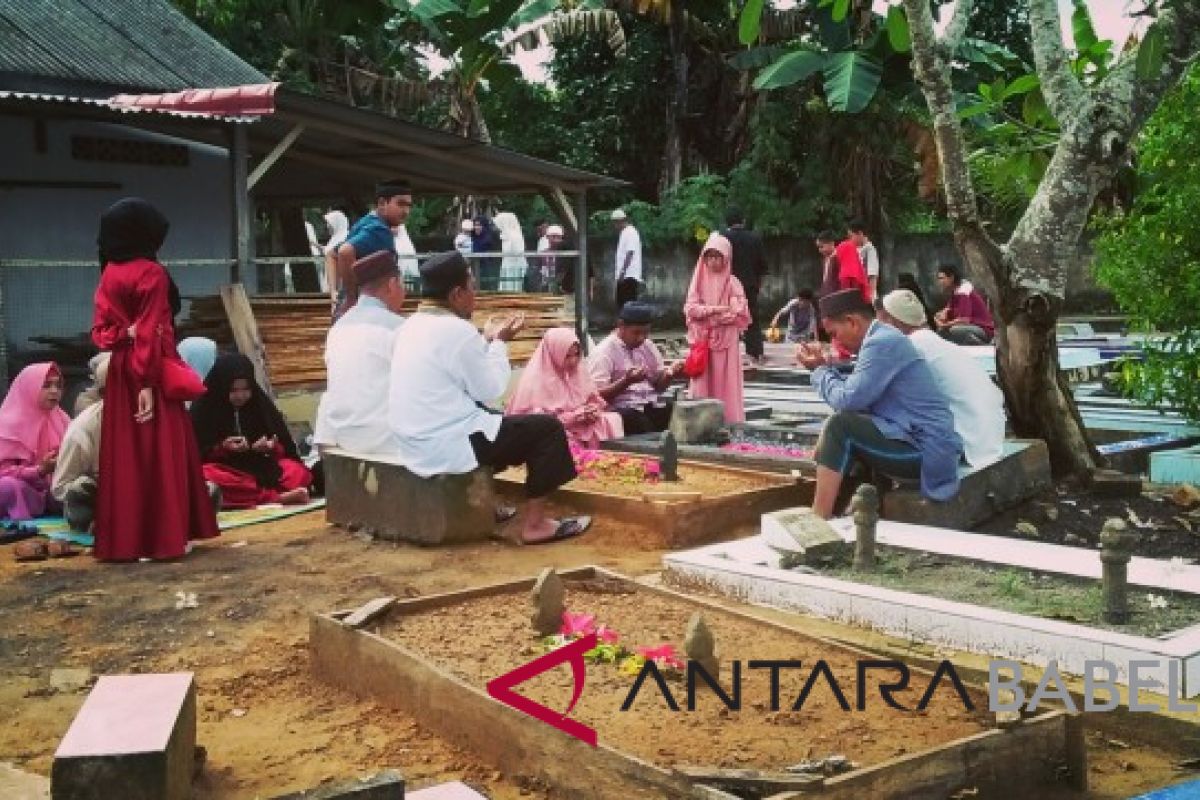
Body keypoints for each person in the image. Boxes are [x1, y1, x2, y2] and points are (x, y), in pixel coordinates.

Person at [389, 251, 588, 545]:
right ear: (456, 294)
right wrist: (499, 343)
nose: (475, 294)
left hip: (413, 441)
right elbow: (491, 388)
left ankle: (489, 506)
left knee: (492, 419)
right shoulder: (456, 330)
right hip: (444, 445)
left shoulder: (407, 326)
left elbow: (456, 371)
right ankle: (536, 525)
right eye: (471, 286)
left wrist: (486, 342)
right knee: (547, 429)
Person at [92, 197, 220, 561]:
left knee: (128, 454)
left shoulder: (109, 273)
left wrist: (124, 337)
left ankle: (129, 541)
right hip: (149, 370)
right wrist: (147, 383)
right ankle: (164, 537)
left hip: (120, 371)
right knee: (160, 451)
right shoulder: (151, 272)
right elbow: (150, 331)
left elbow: (100, 333)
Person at [796, 289, 962, 519]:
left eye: (834, 333)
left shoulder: (882, 343)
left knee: (840, 426)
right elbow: (853, 395)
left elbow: (847, 400)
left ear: (852, 322)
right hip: (919, 443)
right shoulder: (882, 339)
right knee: (845, 430)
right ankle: (846, 510)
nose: (835, 341)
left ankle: (818, 518)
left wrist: (819, 371)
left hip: (926, 454)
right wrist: (825, 368)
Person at [877, 290, 1006, 468]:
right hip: (990, 436)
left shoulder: (912, 347)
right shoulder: (936, 343)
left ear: (893, 321)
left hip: (969, 443)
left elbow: (872, 393)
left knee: (870, 420)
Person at [314, 250, 407, 454]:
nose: (404, 292)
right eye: (402, 285)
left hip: (341, 440)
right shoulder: (399, 329)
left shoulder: (337, 330)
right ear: (392, 285)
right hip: (386, 444)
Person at [191, 354, 312, 509]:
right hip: (228, 470)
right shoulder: (204, 408)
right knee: (203, 477)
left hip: (261, 467)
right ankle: (276, 497)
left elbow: (286, 448)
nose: (241, 396)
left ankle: (263, 496)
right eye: (233, 390)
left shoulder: (259, 405)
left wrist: (270, 447)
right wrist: (222, 448)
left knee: (296, 471)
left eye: (246, 389)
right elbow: (195, 454)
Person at [507, 327, 623, 449]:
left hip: (579, 425)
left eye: (577, 354)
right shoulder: (535, 382)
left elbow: (593, 399)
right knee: (561, 439)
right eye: (567, 356)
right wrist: (575, 416)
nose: (573, 361)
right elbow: (538, 424)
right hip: (553, 430)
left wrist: (592, 410)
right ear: (553, 354)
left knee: (611, 420)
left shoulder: (578, 373)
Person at [684, 233, 751, 423]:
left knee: (727, 382)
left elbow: (738, 312)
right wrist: (715, 310)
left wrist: (709, 314)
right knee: (702, 381)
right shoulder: (697, 282)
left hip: (726, 341)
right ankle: (699, 421)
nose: (713, 261)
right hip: (704, 341)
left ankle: (729, 421)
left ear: (726, 257)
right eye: (709, 256)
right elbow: (690, 309)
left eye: (717, 256)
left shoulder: (733, 283)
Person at [588, 302, 685, 435]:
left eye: (646, 333)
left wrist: (670, 374)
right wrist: (626, 381)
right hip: (621, 410)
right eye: (636, 333)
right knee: (638, 422)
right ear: (621, 326)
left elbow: (659, 387)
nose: (641, 338)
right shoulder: (604, 352)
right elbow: (596, 396)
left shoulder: (648, 346)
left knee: (680, 413)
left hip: (649, 405)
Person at [333, 180, 412, 318]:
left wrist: (336, 292)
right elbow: (344, 252)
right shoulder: (379, 229)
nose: (406, 211)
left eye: (408, 206)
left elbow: (331, 255)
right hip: (365, 310)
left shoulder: (366, 222)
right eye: (400, 204)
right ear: (382, 203)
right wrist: (351, 298)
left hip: (356, 309)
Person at [0, 362, 68, 521]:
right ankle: (22, 528)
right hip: (22, 493)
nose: (54, 391)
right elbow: (3, 472)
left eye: (58, 386)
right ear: (28, 387)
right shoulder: (8, 423)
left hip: (50, 493)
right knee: (8, 486)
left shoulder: (62, 419)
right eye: (46, 385)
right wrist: (39, 471)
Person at [52, 353, 108, 532]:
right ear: (104, 394)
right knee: (80, 487)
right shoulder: (84, 428)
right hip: (102, 498)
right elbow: (61, 487)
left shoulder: (155, 419)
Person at [723, 208, 768, 366]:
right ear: (743, 221)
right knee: (752, 318)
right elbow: (762, 266)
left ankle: (728, 353)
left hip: (728, 285)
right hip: (750, 284)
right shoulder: (754, 238)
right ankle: (756, 352)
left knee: (727, 318)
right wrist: (758, 284)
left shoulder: (723, 239)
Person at [934, 264, 995, 346]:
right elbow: (947, 309)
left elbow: (964, 320)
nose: (940, 282)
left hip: (983, 330)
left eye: (942, 278)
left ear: (951, 278)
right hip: (972, 328)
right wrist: (940, 316)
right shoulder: (955, 292)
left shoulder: (963, 292)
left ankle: (981, 345)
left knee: (953, 330)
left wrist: (945, 325)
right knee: (942, 332)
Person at [611, 209, 643, 311]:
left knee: (627, 305)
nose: (615, 226)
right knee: (621, 303)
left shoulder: (630, 232)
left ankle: (628, 326)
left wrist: (622, 272)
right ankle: (623, 326)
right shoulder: (625, 232)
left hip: (629, 275)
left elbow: (630, 252)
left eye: (615, 222)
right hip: (625, 276)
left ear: (620, 221)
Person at [323, 209, 350, 311]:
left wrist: (335, 289)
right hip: (334, 285)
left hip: (342, 286)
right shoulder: (334, 240)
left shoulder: (345, 239)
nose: (327, 226)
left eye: (329, 223)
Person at [494, 211, 527, 292]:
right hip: (507, 264)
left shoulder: (515, 236)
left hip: (514, 266)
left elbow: (518, 252)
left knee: (513, 286)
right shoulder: (505, 235)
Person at [850, 220, 880, 298]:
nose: (850, 239)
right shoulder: (856, 248)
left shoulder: (869, 249)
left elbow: (872, 275)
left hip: (867, 293)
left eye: (851, 236)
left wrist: (871, 295)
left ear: (860, 233)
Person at [472, 214, 500, 292]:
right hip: (476, 269)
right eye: (475, 225)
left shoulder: (489, 239)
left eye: (479, 225)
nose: (476, 227)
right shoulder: (474, 238)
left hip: (487, 269)